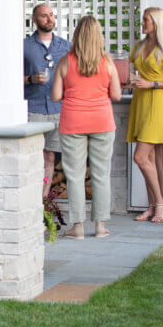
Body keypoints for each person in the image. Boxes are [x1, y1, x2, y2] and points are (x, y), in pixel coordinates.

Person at [52, 16, 121, 239]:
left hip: (73, 122)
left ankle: (78, 228)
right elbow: (117, 95)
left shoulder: (65, 61)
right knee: (101, 174)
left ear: (77, 36)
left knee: (74, 175)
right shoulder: (108, 63)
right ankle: (100, 227)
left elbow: (55, 96)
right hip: (102, 121)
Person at [126, 7, 163, 223]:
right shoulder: (140, 46)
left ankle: (161, 203)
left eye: (145, 20)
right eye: (142, 20)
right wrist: (133, 79)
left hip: (156, 104)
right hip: (139, 103)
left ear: (156, 22)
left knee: (139, 157)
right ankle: (151, 205)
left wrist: (152, 83)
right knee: (147, 158)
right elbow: (134, 72)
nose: (142, 23)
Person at [24, 4, 71, 198]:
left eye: (51, 15)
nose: (49, 19)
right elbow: (9, 79)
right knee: (32, 157)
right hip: (33, 110)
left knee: (50, 156)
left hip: (58, 110)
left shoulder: (65, 46)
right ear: (34, 19)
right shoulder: (24, 46)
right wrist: (30, 79)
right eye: (44, 16)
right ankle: (29, 197)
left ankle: (43, 200)